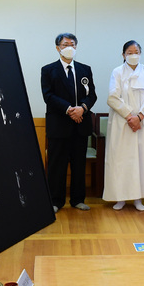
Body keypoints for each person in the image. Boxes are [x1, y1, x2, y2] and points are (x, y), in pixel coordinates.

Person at [41, 33, 97, 213]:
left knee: (79, 164)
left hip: (81, 125)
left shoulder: (85, 69)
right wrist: (69, 110)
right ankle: (55, 201)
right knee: (57, 165)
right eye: (65, 44)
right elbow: (48, 96)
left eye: (72, 44)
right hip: (59, 126)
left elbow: (92, 95)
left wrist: (82, 108)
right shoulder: (48, 70)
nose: (69, 47)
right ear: (58, 47)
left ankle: (78, 199)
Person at [102, 40, 144, 211]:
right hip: (122, 123)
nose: (133, 55)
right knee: (120, 160)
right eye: (130, 52)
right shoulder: (117, 72)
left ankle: (138, 198)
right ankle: (120, 198)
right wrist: (129, 116)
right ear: (123, 54)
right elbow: (112, 97)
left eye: (136, 51)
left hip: (141, 123)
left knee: (141, 159)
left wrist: (138, 117)